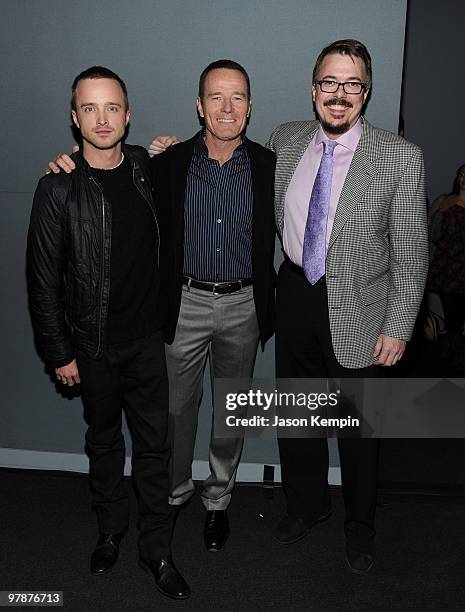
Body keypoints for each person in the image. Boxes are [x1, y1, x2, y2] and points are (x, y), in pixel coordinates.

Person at [47, 59, 276, 553]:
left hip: (243, 305)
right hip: (183, 305)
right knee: (175, 416)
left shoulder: (268, 164)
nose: (227, 107)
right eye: (215, 96)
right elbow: (100, 165)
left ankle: (218, 502)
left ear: (250, 107)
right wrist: (64, 162)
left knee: (232, 415)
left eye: (237, 97)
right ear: (199, 106)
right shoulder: (166, 163)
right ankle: (172, 497)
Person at [27, 67, 190, 600]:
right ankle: (109, 531)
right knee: (102, 444)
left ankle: (157, 549)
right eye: (90, 109)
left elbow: (193, 155)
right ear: (75, 117)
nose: (102, 119)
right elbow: (43, 279)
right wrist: (59, 352)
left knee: (154, 449)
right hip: (90, 346)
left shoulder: (147, 165)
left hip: (146, 340)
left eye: (112, 108)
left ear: (128, 114)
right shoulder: (56, 187)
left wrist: (167, 146)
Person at [266, 39, 428, 572]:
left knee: (359, 430)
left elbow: (410, 252)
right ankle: (306, 505)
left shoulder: (399, 155)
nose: (339, 95)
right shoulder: (286, 139)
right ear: (314, 90)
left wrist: (399, 326)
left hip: (361, 306)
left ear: (367, 92)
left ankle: (360, 527)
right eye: (329, 83)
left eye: (352, 83)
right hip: (294, 294)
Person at [426, 163, 465, 364]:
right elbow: (426, 225)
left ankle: (453, 349)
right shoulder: (444, 201)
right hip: (446, 266)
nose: (463, 179)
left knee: (459, 312)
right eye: (461, 174)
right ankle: (451, 352)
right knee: (451, 311)